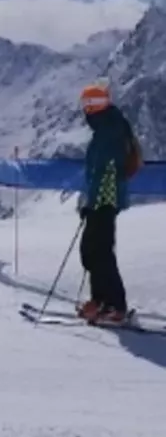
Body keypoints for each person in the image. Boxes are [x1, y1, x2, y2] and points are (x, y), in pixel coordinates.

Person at [77, 83, 139, 325]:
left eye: (85, 105)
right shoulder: (109, 127)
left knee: (98, 251)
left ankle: (113, 305)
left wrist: (93, 202)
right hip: (104, 200)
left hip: (104, 201)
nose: (84, 111)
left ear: (93, 106)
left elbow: (104, 171)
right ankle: (101, 301)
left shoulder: (108, 132)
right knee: (94, 251)